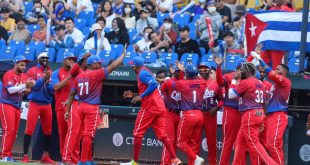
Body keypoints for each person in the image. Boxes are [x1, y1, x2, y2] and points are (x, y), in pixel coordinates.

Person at [65, 47, 127, 164]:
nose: (100, 65)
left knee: (82, 134)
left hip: (80, 106)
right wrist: (123, 55)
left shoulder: (78, 75)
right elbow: (113, 66)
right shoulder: (96, 74)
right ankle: (83, 161)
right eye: (99, 63)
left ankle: (86, 159)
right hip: (91, 107)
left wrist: (68, 110)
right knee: (88, 135)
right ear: (93, 65)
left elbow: (72, 93)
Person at [121, 56, 181, 165]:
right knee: (163, 136)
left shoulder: (142, 73)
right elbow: (151, 88)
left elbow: (153, 84)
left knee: (137, 134)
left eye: (132, 66)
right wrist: (134, 95)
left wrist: (141, 96)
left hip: (150, 107)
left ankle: (134, 162)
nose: (131, 67)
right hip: (159, 107)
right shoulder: (146, 71)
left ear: (136, 66)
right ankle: (175, 159)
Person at [228, 62, 278, 165]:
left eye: (241, 69)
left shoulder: (245, 82)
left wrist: (233, 79)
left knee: (254, 143)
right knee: (239, 143)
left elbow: (231, 95)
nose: (240, 71)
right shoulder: (259, 82)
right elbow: (264, 102)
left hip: (250, 114)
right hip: (259, 112)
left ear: (247, 71)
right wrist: (262, 119)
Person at [252, 49, 292, 165]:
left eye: (278, 69)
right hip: (269, 117)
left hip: (279, 115)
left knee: (273, 144)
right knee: (268, 145)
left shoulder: (286, 82)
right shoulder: (273, 86)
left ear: (284, 73)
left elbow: (270, 73)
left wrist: (260, 60)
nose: (276, 70)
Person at [163, 64, 205, 165]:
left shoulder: (182, 83)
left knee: (180, 142)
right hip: (199, 115)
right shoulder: (202, 82)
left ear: (185, 74)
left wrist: (173, 74)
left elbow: (168, 83)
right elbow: (198, 78)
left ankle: (195, 158)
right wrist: (186, 72)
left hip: (188, 115)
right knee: (193, 143)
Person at [22, 52, 55, 163]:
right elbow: (34, 87)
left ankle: (45, 155)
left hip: (47, 104)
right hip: (35, 103)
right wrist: (43, 79)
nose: (45, 59)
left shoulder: (50, 71)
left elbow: (52, 90)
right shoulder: (32, 71)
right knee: (29, 129)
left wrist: (48, 82)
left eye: (47, 57)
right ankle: (25, 155)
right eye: (43, 58)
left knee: (48, 131)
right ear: (38, 59)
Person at [0, 55, 33, 162]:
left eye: (25, 65)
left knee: (14, 132)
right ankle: (4, 155)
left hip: (17, 106)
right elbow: (11, 90)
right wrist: (25, 86)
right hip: (7, 104)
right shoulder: (8, 74)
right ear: (16, 64)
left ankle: (8, 154)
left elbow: (26, 88)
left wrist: (27, 90)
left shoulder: (23, 76)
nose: (24, 67)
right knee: (9, 130)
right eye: (21, 65)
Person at [215, 57, 244, 165]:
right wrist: (218, 67)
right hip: (230, 111)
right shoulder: (229, 76)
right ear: (237, 68)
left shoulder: (247, 78)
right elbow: (220, 82)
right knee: (228, 141)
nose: (244, 70)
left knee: (241, 143)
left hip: (243, 112)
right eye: (242, 67)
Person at [62, 54, 89, 164]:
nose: (88, 62)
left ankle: (74, 160)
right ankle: (66, 159)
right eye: (86, 61)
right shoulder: (77, 71)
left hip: (85, 105)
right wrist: (82, 58)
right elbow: (73, 69)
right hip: (74, 104)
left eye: (88, 61)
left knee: (80, 134)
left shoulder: (90, 74)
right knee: (73, 132)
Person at [51, 52, 76, 157]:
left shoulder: (77, 73)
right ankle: (64, 156)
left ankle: (73, 157)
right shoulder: (56, 73)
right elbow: (55, 87)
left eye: (73, 59)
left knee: (74, 133)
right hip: (61, 107)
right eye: (69, 59)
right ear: (63, 60)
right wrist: (69, 76)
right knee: (63, 133)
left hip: (74, 107)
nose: (71, 61)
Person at [198, 62, 223, 165]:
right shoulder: (195, 82)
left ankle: (213, 163)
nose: (203, 71)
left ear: (210, 71)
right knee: (195, 140)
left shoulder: (215, 84)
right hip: (198, 114)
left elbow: (222, 100)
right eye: (201, 70)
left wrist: (217, 107)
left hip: (210, 115)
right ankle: (194, 161)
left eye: (205, 69)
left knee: (212, 142)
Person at [160, 65, 181, 165]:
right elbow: (162, 89)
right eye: (176, 71)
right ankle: (165, 163)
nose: (178, 72)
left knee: (176, 141)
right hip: (169, 113)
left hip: (179, 114)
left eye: (180, 71)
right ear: (173, 72)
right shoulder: (169, 82)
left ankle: (172, 162)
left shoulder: (184, 82)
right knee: (169, 140)